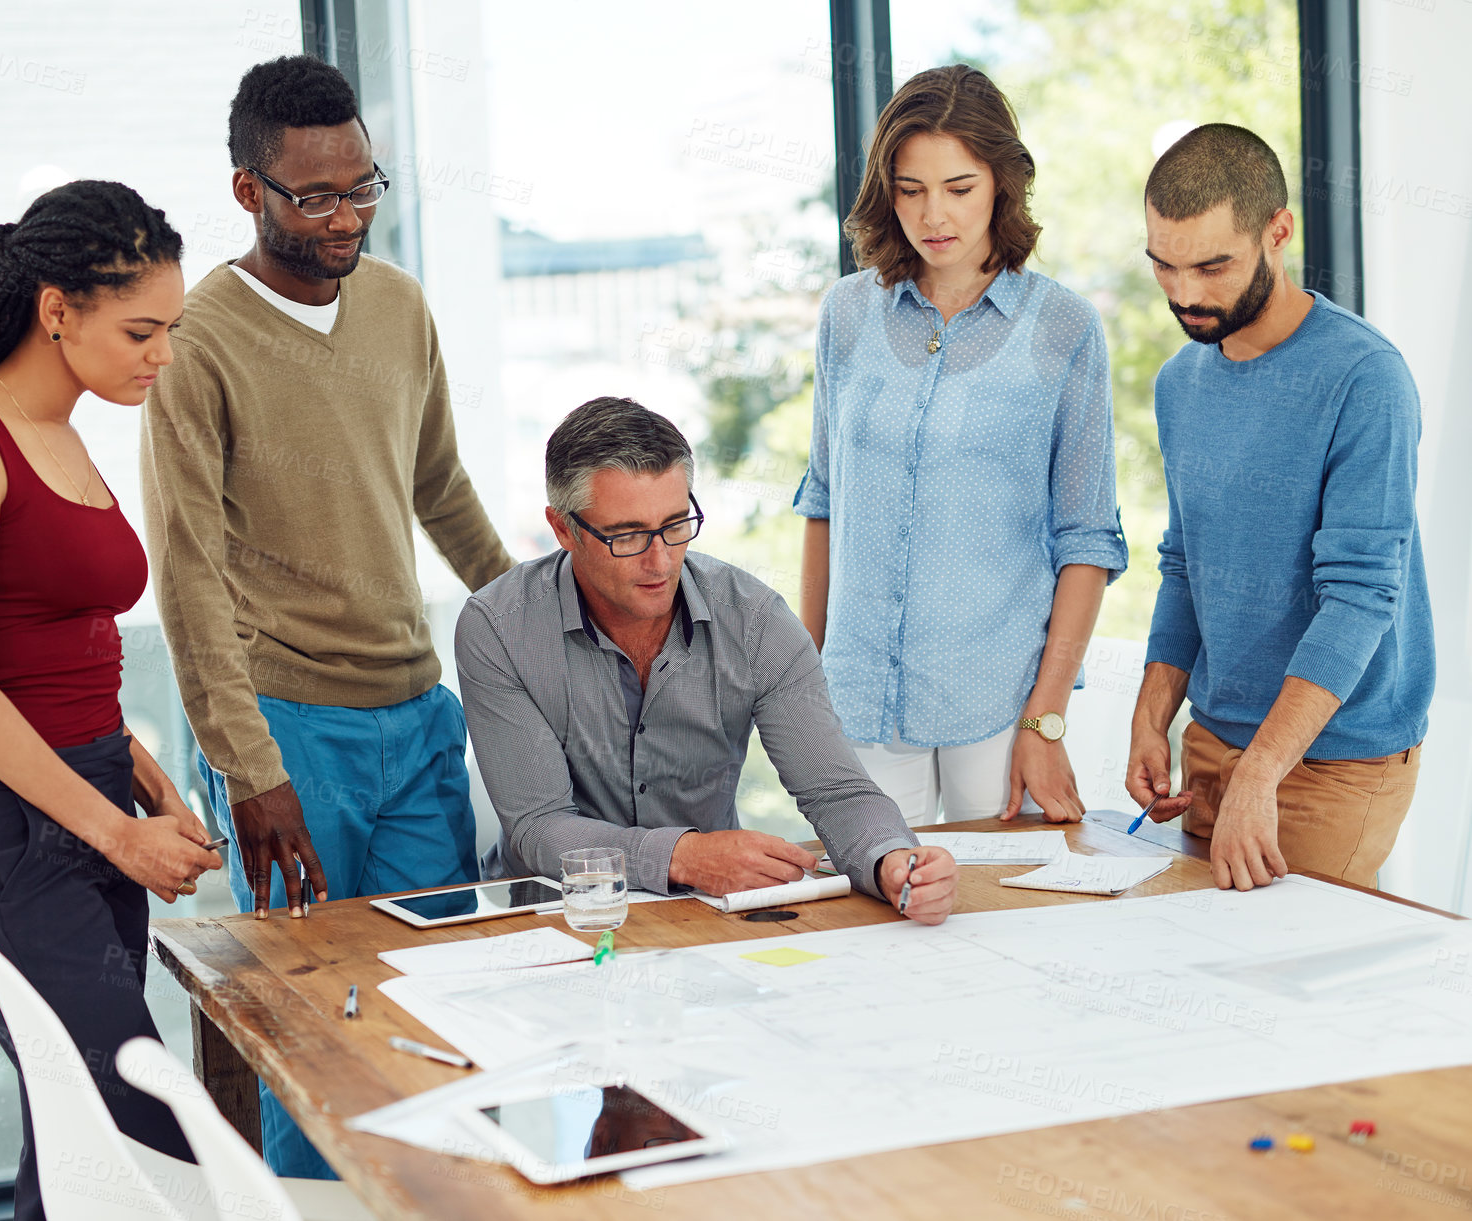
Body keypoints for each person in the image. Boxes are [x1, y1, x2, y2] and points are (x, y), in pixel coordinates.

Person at [139, 55, 512, 1176]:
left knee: (432, 1012)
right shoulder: (196, 342)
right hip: (287, 732)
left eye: (363, 187)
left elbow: (440, 487)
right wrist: (247, 770)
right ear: (249, 190)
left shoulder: (397, 305)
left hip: (414, 716)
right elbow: (189, 573)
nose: (347, 215)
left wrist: (540, 626)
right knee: (306, 1029)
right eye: (316, 195)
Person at [0, 180, 221, 1221]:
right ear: (57, 308)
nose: (161, 354)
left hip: (91, 797)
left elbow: (62, 652)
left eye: (171, 330)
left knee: (77, 1152)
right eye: (140, 329)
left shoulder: (68, 431)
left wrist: (143, 776)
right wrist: (120, 836)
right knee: (147, 1125)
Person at [456, 397, 958, 924]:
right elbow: (539, 826)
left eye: (676, 524)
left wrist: (893, 863)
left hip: (708, 912)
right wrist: (684, 857)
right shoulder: (498, 627)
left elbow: (834, 790)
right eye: (627, 535)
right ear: (563, 530)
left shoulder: (755, 619)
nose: (661, 560)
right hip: (558, 916)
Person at [796, 64, 1127, 827]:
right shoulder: (845, 314)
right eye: (909, 189)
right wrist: (804, 683)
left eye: (958, 187)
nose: (931, 214)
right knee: (870, 920)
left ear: (1001, 184)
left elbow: (1087, 540)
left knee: (999, 921)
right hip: (857, 698)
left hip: (999, 702)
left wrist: (1045, 719)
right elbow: (823, 504)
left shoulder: (1063, 329)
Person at [1126, 124, 1433, 891]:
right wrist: (1150, 711)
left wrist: (1261, 771)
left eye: (1211, 265)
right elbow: (1184, 564)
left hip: (1333, 762)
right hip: (1213, 749)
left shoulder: (1364, 378)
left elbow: (1360, 596)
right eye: (1163, 266)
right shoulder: (1178, 383)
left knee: (1291, 998)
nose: (1186, 294)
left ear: (1278, 232)